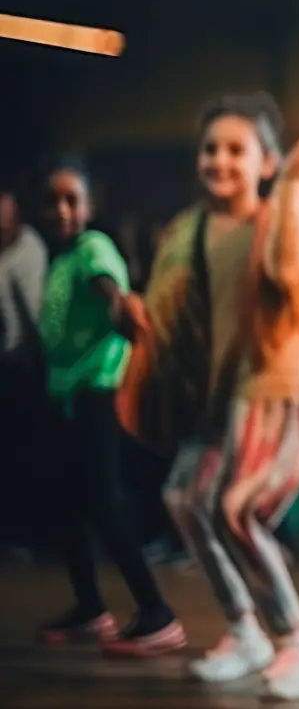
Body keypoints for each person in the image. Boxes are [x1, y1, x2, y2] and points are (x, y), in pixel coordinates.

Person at [118, 95, 299, 701]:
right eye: (211, 148)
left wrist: (292, 185)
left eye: (236, 149)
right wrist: (132, 315)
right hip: (213, 389)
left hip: (270, 380)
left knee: (237, 508)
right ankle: (245, 631)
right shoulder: (188, 230)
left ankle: (296, 643)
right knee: (185, 498)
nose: (219, 160)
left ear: (266, 163)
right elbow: (169, 311)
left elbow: (290, 274)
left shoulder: (281, 213)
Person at [33, 161, 186, 655]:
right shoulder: (60, 259)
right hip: (67, 394)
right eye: (53, 201)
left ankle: (157, 613)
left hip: (97, 390)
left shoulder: (94, 248)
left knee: (103, 499)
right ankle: (91, 608)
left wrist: (123, 308)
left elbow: (110, 291)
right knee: (67, 502)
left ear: (89, 207)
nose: (62, 211)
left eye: (72, 201)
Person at [0, 182, 48, 557]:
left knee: (27, 452)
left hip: (29, 364)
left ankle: (31, 536)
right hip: (9, 360)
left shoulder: (30, 249)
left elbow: (35, 318)